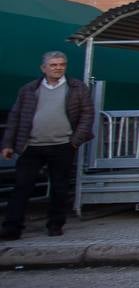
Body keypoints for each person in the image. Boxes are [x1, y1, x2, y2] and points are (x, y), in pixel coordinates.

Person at [1, 52, 94, 240]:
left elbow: (87, 115)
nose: (58, 68)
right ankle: (12, 227)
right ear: (43, 68)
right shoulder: (29, 89)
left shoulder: (76, 88)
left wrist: (75, 141)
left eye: (61, 64)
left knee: (59, 187)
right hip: (31, 145)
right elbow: (15, 116)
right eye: (53, 65)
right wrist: (8, 143)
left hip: (62, 145)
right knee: (22, 186)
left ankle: (55, 224)